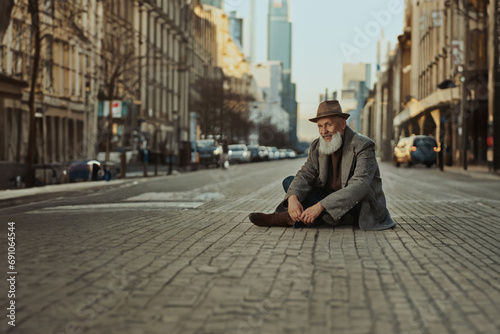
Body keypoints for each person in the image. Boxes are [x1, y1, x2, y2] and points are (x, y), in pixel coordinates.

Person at [249, 100, 395, 231]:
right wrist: (292, 199)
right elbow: (305, 174)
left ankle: (285, 218)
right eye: (320, 126)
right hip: (328, 198)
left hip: (358, 204)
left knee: (316, 202)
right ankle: (328, 217)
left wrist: (319, 207)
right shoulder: (317, 146)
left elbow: (360, 186)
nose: (323, 131)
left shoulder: (363, 145)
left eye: (328, 125)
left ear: (343, 124)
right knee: (289, 182)